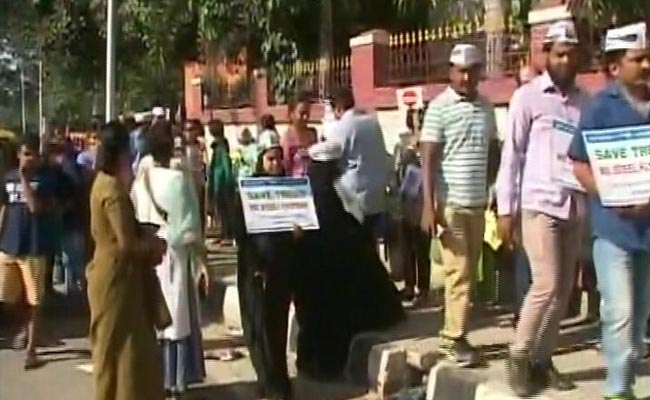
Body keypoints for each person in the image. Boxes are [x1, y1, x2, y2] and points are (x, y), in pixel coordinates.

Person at [496, 21, 590, 396]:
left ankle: (541, 359)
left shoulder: (587, 102)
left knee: (564, 289)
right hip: (538, 204)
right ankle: (518, 354)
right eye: (558, 53)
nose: (565, 60)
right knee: (546, 282)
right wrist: (507, 209)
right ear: (545, 56)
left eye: (571, 54)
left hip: (574, 205)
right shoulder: (528, 98)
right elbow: (512, 155)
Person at [569, 22, 650, 400]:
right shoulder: (601, 107)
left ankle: (627, 381)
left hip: (647, 231)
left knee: (640, 317)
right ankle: (616, 390)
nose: (646, 64)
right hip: (612, 230)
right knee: (619, 310)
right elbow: (579, 163)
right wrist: (611, 192)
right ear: (616, 68)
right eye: (638, 58)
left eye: (648, 57)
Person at [293, 140, 404, 380]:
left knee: (315, 317)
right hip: (328, 268)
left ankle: (313, 363)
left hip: (314, 269)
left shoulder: (315, 190)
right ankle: (324, 365)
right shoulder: (328, 193)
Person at [420, 43, 499, 367]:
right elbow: (427, 157)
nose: (465, 77)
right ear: (450, 72)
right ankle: (453, 338)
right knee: (460, 272)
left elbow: (493, 151)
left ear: (479, 72)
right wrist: (429, 204)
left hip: (478, 203)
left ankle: (457, 332)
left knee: (469, 274)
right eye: (459, 70)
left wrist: (493, 189)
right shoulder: (439, 107)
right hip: (450, 204)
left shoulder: (487, 108)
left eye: (471, 70)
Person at [87, 121, 167, 400]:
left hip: (113, 275)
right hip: (117, 280)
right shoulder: (112, 190)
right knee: (120, 354)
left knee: (126, 353)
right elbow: (127, 244)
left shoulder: (103, 182)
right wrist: (155, 246)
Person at [131, 121, 207, 399]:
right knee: (177, 319)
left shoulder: (141, 179)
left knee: (156, 319)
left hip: (149, 252)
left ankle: (156, 380)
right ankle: (176, 383)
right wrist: (202, 259)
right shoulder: (178, 180)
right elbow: (190, 226)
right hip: (174, 253)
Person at [233, 135, 296, 400]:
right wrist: (255, 264)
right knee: (257, 326)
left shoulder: (289, 192)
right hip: (254, 271)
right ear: (260, 160)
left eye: (279, 159)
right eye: (270, 159)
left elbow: (295, 231)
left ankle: (279, 381)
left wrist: (297, 235)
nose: (275, 165)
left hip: (281, 269)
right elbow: (241, 233)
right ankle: (266, 379)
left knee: (277, 325)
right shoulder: (247, 193)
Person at [0, 134, 55, 369]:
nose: (28, 159)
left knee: (35, 301)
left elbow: (35, 208)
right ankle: (26, 329)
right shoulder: (6, 178)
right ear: (18, 154)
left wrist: (25, 180)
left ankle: (31, 350)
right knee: (7, 297)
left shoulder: (44, 181)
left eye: (32, 154)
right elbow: (4, 207)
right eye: (25, 153)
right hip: (9, 245)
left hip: (33, 246)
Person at [330, 87, 390, 239]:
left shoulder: (344, 125)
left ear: (337, 109)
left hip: (354, 198)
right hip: (377, 195)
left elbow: (332, 157)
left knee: (356, 246)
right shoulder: (372, 122)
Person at [207, 119, 235, 242]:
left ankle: (228, 235)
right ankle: (224, 233)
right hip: (218, 181)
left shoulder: (221, 147)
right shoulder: (218, 145)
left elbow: (225, 165)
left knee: (225, 210)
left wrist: (228, 180)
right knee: (221, 210)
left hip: (222, 183)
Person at [281, 92, 316, 177]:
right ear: (291, 114)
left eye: (307, 113)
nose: (305, 117)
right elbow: (286, 167)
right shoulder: (287, 138)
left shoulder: (312, 134)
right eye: (302, 113)